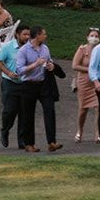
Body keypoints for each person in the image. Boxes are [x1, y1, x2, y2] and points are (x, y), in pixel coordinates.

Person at [14, 24, 62, 152]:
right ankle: (29, 144)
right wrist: (35, 64)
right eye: (44, 34)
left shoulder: (45, 48)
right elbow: (19, 70)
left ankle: (52, 142)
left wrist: (51, 66)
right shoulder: (23, 50)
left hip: (44, 84)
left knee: (49, 110)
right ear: (37, 36)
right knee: (28, 114)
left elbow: (49, 60)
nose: (46, 36)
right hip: (29, 85)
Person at [0, 24, 33, 148]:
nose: (27, 37)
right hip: (10, 83)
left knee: (24, 113)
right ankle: (5, 130)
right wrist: (8, 73)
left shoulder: (31, 48)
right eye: (24, 35)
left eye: (29, 35)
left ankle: (21, 140)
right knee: (9, 111)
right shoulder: (8, 47)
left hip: (26, 83)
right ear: (17, 35)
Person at [72, 28, 100, 143]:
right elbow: (75, 65)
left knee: (99, 107)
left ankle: (98, 133)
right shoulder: (82, 49)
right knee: (83, 109)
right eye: (92, 35)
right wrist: (90, 70)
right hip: (84, 82)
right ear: (87, 37)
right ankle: (80, 130)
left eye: (96, 36)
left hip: (96, 82)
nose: (94, 38)